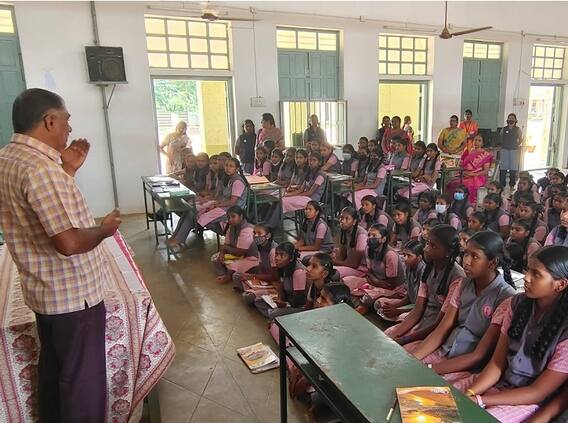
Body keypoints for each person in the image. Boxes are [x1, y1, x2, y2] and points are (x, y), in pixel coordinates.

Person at [0, 88, 122, 421]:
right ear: (49, 121)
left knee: (56, 374)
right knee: (83, 385)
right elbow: (68, 243)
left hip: (46, 292)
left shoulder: (8, 158)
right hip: (72, 297)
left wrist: (66, 170)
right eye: (66, 120)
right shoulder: (40, 169)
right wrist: (104, 229)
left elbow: (38, 214)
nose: (70, 128)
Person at [463, 246, 568, 422]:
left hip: (527, 401)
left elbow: (537, 392)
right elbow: (496, 364)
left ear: (561, 284)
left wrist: (481, 400)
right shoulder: (517, 304)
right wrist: (470, 393)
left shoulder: (565, 328)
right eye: (528, 269)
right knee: (444, 396)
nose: (526, 277)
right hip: (499, 383)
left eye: (536, 274)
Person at [411, 231, 516, 386]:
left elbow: (478, 355)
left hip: (469, 366)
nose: (466, 261)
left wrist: (431, 368)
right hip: (446, 350)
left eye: (474, 256)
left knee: (426, 386)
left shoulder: (506, 297)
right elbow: (443, 329)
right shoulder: (463, 284)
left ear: (492, 263)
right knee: (406, 360)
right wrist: (412, 359)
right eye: (466, 254)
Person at [385, 225, 465, 349]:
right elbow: (417, 310)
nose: (426, 249)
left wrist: (405, 339)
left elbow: (440, 323)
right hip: (423, 320)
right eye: (427, 243)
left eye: (434, 246)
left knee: (405, 349)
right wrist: (395, 335)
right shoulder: (429, 268)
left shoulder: (457, 277)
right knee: (387, 335)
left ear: (448, 252)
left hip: (436, 330)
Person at [344, 224, 406, 315]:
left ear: (383, 239)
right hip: (375, 281)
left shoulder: (390, 254)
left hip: (392, 288)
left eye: (374, 236)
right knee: (346, 282)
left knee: (368, 298)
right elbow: (369, 272)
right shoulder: (368, 249)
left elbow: (391, 284)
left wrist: (375, 282)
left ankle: (358, 310)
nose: (370, 238)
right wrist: (374, 281)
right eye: (369, 235)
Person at [375, 240, 426, 322]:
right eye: (404, 254)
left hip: (420, 308)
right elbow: (409, 296)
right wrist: (394, 306)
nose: (405, 258)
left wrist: (398, 311)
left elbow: (422, 306)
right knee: (379, 304)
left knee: (402, 317)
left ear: (419, 258)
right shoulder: (409, 267)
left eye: (409, 255)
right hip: (411, 304)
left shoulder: (424, 272)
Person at [253, 242, 307, 318]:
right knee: (258, 300)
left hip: (299, 306)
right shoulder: (282, 267)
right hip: (288, 300)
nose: (277, 258)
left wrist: (285, 304)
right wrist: (280, 299)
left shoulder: (298, 272)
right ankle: (276, 315)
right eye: (276, 254)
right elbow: (281, 287)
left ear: (291, 258)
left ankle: (275, 315)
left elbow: (297, 301)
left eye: (282, 255)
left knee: (274, 314)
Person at [212, 206, 260, 283]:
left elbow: (240, 252)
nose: (230, 220)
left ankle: (228, 275)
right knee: (215, 258)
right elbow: (226, 243)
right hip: (236, 254)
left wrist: (225, 248)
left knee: (235, 268)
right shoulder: (231, 227)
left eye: (233, 217)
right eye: (228, 217)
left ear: (241, 217)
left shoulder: (247, 230)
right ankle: (224, 274)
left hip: (250, 257)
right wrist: (222, 253)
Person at [448, 134, 493, 204]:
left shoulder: (485, 154)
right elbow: (460, 164)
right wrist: (463, 172)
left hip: (478, 176)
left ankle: (468, 204)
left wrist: (473, 174)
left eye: (479, 141)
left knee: (466, 184)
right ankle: (453, 203)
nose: (476, 142)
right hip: (464, 174)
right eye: (475, 140)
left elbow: (485, 171)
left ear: (483, 143)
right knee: (452, 183)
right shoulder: (468, 151)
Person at [235, 223, 278, 293]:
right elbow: (260, 266)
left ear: (268, 236)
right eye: (254, 233)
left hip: (273, 280)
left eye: (259, 233)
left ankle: (251, 291)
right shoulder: (260, 246)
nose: (256, 236)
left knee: (249, 296)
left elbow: (274, 277)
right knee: (237, 275)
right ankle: (251, 289)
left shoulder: (273, 251)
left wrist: (253, 277)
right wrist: (257, 278)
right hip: (264, 276)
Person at [333, 207, 368, 278]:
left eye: (347, 219)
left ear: (354, 221)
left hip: (360, 269)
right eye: (341, 218)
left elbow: (354, 265)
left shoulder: (361, 235)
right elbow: (342, 255)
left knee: (332, 273)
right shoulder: (345, 231)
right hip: (349, 265)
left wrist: (333, 261)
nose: (342, 221)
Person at [499, 113, 523, 188]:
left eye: (512, 118)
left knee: (513, 168)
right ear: (507, 120)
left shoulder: (518, 129)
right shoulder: (504, 129)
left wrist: (517, 144)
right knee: (503, 168)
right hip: (504, 150)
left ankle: (512, 185)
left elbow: (521, 139)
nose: (511, 120)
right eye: (509, 118)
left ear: (515, 120)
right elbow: (500, 137)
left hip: (514, 150)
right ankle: (502, 185)